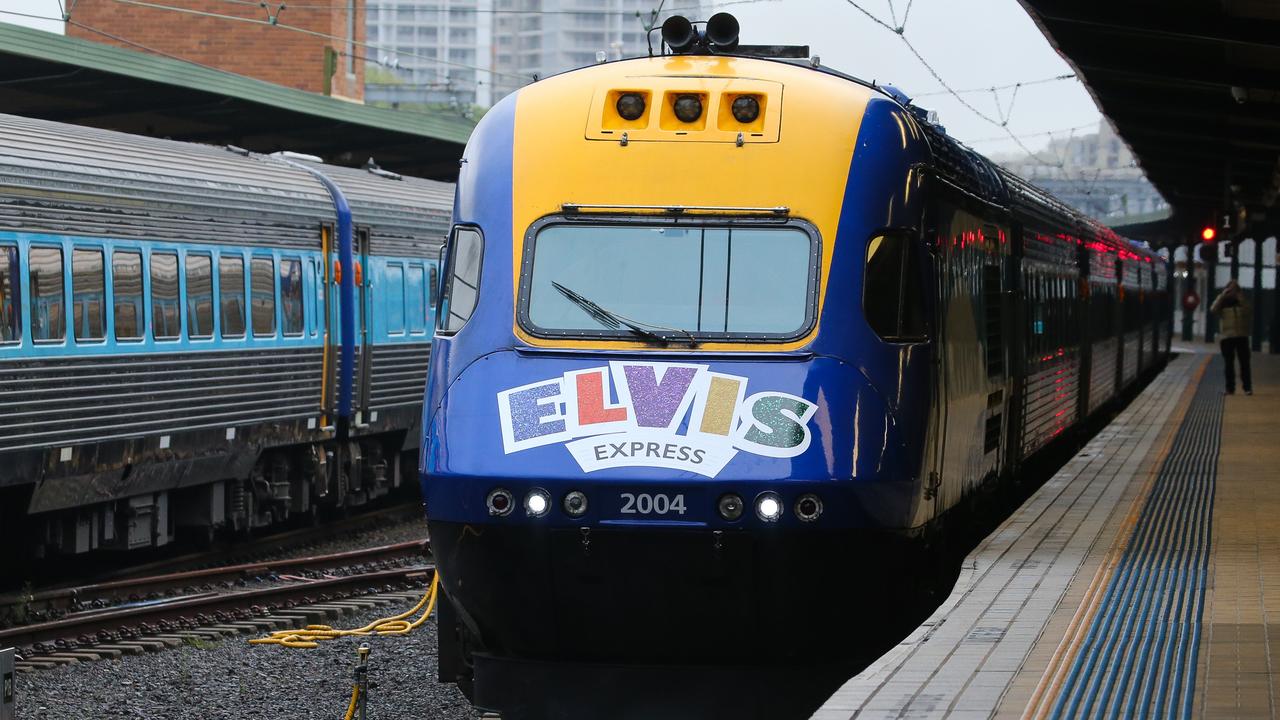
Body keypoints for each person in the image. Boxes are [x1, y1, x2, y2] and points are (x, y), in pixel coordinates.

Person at [1210, 279, 1253, 395]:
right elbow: (1213, 309)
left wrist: (1241, 298)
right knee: (1229, 364)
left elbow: (1249, 311)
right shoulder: (1223, 303)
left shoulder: (1242, 302)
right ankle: (1230, 388)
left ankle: (1247, 388)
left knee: (1245, 363)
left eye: (1235, 289)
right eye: (1230, 289)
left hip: (1241, 336)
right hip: (1227, 337)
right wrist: (1222, 296)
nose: (1232, 292)